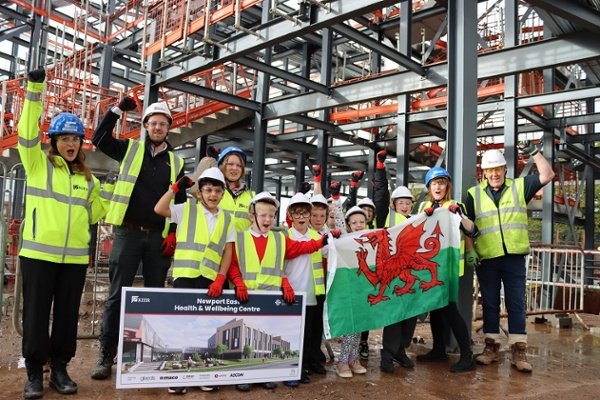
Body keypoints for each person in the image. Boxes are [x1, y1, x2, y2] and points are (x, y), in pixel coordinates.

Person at [18, 69, 112, 399]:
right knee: (35, 315)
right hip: (38, 256)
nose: (71, 144)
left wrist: (109, 193)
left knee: (67, 317)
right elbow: (27, 133)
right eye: (65, 139)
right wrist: (34, 90)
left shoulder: (88, 180)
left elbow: (99, 213)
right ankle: (33, 373)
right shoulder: (37, 165)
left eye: (75, 139)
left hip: (73, 260)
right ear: (54, 142)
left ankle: (60, 369)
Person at [90, 97, 186, 380]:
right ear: (145, 126)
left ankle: (145, 354)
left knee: (154, 297)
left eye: (162, 123)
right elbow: (99, 138)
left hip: (158, 238)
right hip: (128, 233)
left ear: (169, 127)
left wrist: (174, 235)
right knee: (117, 294)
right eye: (153, 123)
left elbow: (178, 205)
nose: (157, 127)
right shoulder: (129, 150)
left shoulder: (176, 162)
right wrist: (117, 110)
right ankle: (106, 354)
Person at [225, 192, 334, 392]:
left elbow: (301, 248)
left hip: (270, 297)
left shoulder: (279, 240)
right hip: (247, 297)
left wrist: (320, 242)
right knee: (244, 336)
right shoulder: (240, 238)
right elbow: (232, 264)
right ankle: (244, 375)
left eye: (271, 215)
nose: (267, 219)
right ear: (252, 216)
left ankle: (264, 374)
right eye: (263, 215)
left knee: (264, 338)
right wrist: (238, 282)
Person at [465, 145, 554, 373]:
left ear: (505, 169)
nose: (494, 174)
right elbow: (468, 226)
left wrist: (535, 153)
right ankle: (491, 348)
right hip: (487, 258)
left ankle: (518, 350)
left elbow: (548, 175)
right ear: (483, 173)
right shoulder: (474, 194)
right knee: (491, 304)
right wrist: (470, 250)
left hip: (514, 257)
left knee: (515, 303)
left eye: (498, 169)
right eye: (489, 170)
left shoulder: (519, 186)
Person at [154, 166, 234, 394]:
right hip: (185, 276)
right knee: (182, 323)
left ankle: (203, 372)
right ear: (199, 192)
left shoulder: (227, 219)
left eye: (217, 191)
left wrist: (220, 278)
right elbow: (159, 209)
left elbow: (228, 251)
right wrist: (174, 189)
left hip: (209, 280)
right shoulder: (186, 209)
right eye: (208, 190)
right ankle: (178, 375)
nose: (212, 195)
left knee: (205, 325)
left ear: (222, 194)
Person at [415, 166, 477, 373]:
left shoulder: (454, 206)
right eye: (434, 183)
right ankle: (439, 349)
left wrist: (460, 215)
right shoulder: (423, 205)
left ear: (447, 186)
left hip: (448, 268)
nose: (438, 186)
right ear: (429, 187)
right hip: (431, 267)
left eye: (441, 183)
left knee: (450, 310)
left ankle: (467, 356)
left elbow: (471, 229)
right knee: (436, 309)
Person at [373, 152, 418, 373]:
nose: (405, 205)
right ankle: (387, 354)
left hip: (410, 275)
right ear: (394, 203)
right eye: (401, 202)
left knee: (410, 315)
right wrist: (380, 169)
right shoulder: (386, 217)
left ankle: (401, 350)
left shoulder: (417, 220)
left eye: (408, 202)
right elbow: (380, 197)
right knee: (394, 315)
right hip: (392, 273)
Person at [283, 193, 328, 386]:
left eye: (305, 213)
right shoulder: (284, 236)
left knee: (310, 333)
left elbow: (332, 252)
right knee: (292, 334)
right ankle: (292, 370)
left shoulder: (317, 236)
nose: (301, 217)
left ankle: (306, 364)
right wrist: (284, 283)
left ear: (310, 215)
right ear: (290, 215)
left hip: (311, 293)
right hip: (291, 293)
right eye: (297, 212)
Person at [216, 146, 254, 232]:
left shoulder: (252, 197)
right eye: (230, 164)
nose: (235, 168)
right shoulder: (211, 192)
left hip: (242, 245)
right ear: (221, 166)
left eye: (239, 165)